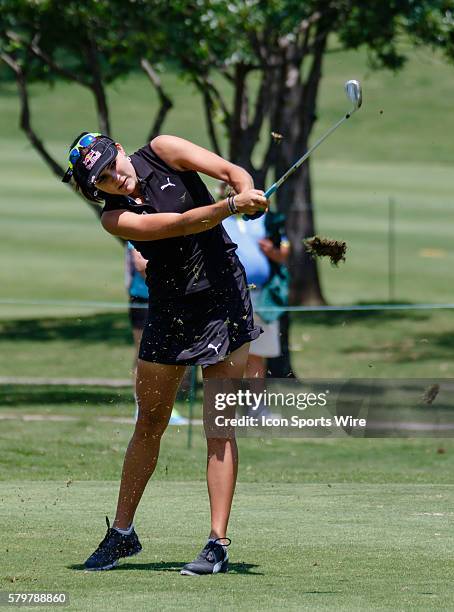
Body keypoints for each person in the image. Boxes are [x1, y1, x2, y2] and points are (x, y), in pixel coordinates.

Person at [62, 131, 268, 575]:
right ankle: (122, 534)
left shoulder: (163, 150)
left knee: (219, 424)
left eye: (112, 164)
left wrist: (244, 188)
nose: (116, 178)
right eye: (103, 179)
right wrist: (231, 207)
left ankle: (217, 543)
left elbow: (230, 172)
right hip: (171, 309)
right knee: (150, 422)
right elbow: (181, 224)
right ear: (95, 187)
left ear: (118, 148)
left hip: (223, 297)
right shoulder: (114, 218)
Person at [125, 242, 187, 425]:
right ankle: (142, 405)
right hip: (144, 299)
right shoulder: (137, 228)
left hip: (171, 299)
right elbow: (141, 265)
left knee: (169, 354)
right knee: (143, 353)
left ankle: (164, 405)